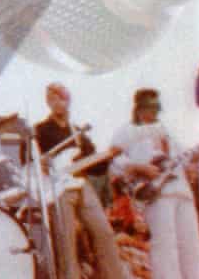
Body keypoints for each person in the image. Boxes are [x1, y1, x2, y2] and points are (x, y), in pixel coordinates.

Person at [34, 82, 128, 279]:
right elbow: (29, 158)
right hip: (58, 187)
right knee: (66, 243)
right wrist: (40, 161)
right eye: (53, 98)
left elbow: (96, 166)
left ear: (68, 100)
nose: (58, 101)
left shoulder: (78, 133)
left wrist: (109, 156)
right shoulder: (41, 130)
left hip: (81, 181)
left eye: (62, 97)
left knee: (104, 233)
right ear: (48, 102)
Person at [110, 88, 199, 279]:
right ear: (139, 108)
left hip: (181, 190)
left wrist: (198, 153)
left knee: (191, 245)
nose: (154, 112)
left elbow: (185, 159)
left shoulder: (166, 132)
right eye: (150, 107)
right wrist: (139, 168)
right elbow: (114, 160)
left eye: (156, 107)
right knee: (165, 247)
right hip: (155, 193)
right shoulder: (126, 131)